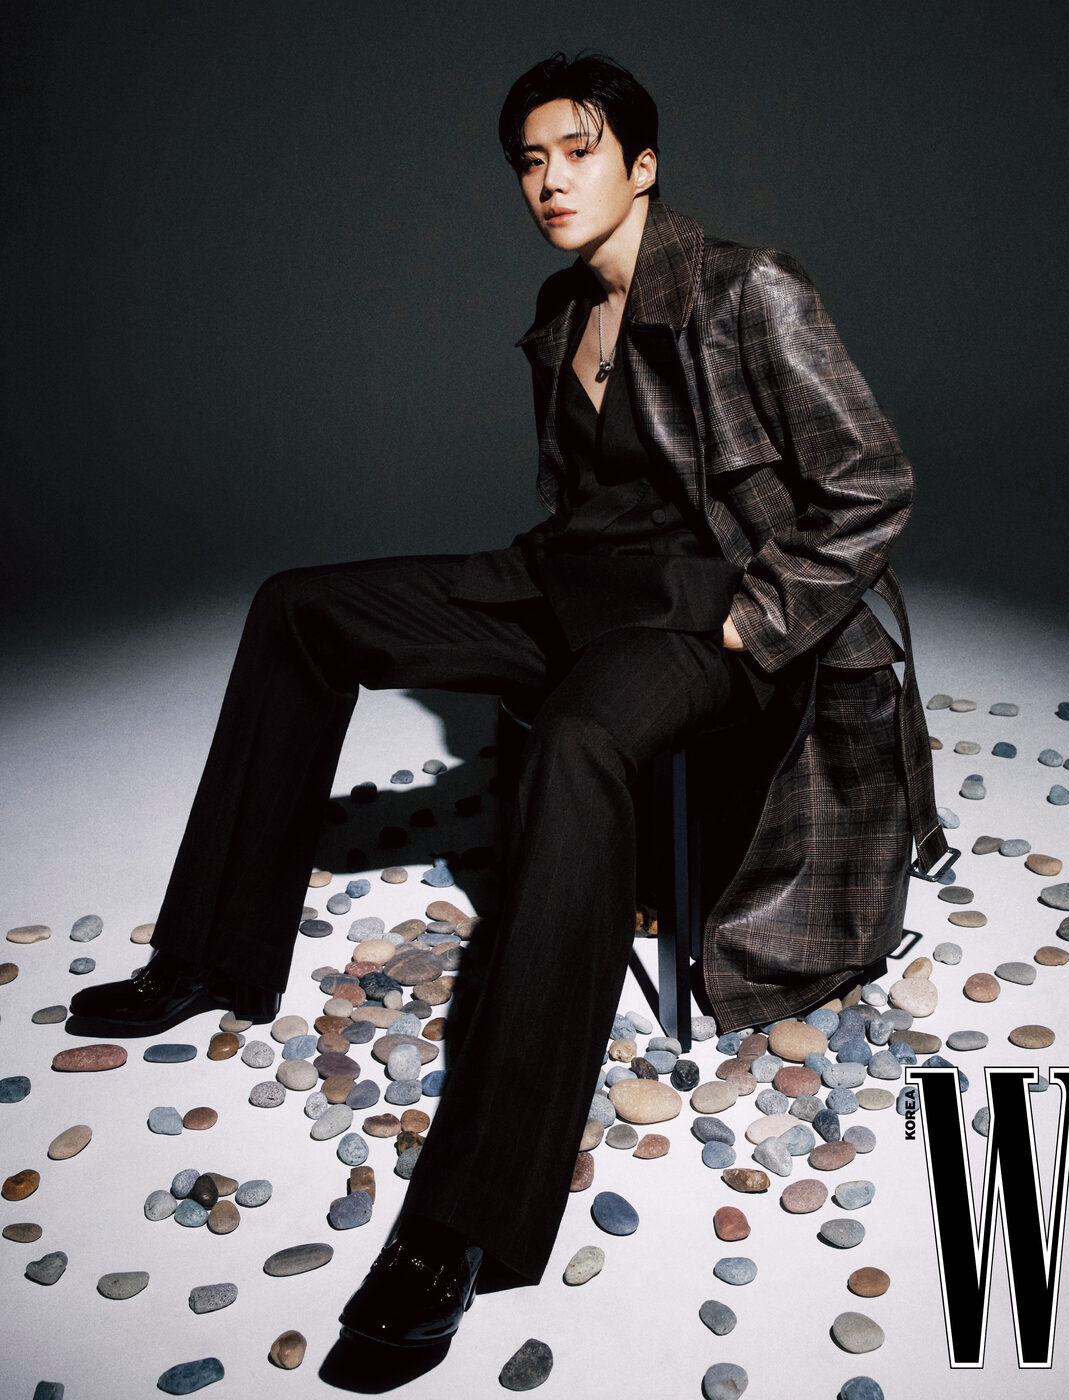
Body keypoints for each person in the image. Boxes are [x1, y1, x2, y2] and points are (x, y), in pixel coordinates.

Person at [69, 52, 947, 1350]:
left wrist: (756, 620)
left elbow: (872, 479)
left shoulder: (747, 286)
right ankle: (211, 956)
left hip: (702, 614)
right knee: (300, 606)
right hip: (571, 587)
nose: (549, 180)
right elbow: (585, 500)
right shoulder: (562, 306)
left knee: (581, 743)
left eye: (577, 151)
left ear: (642, 165)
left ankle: (464, 1225)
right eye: (530, 160)